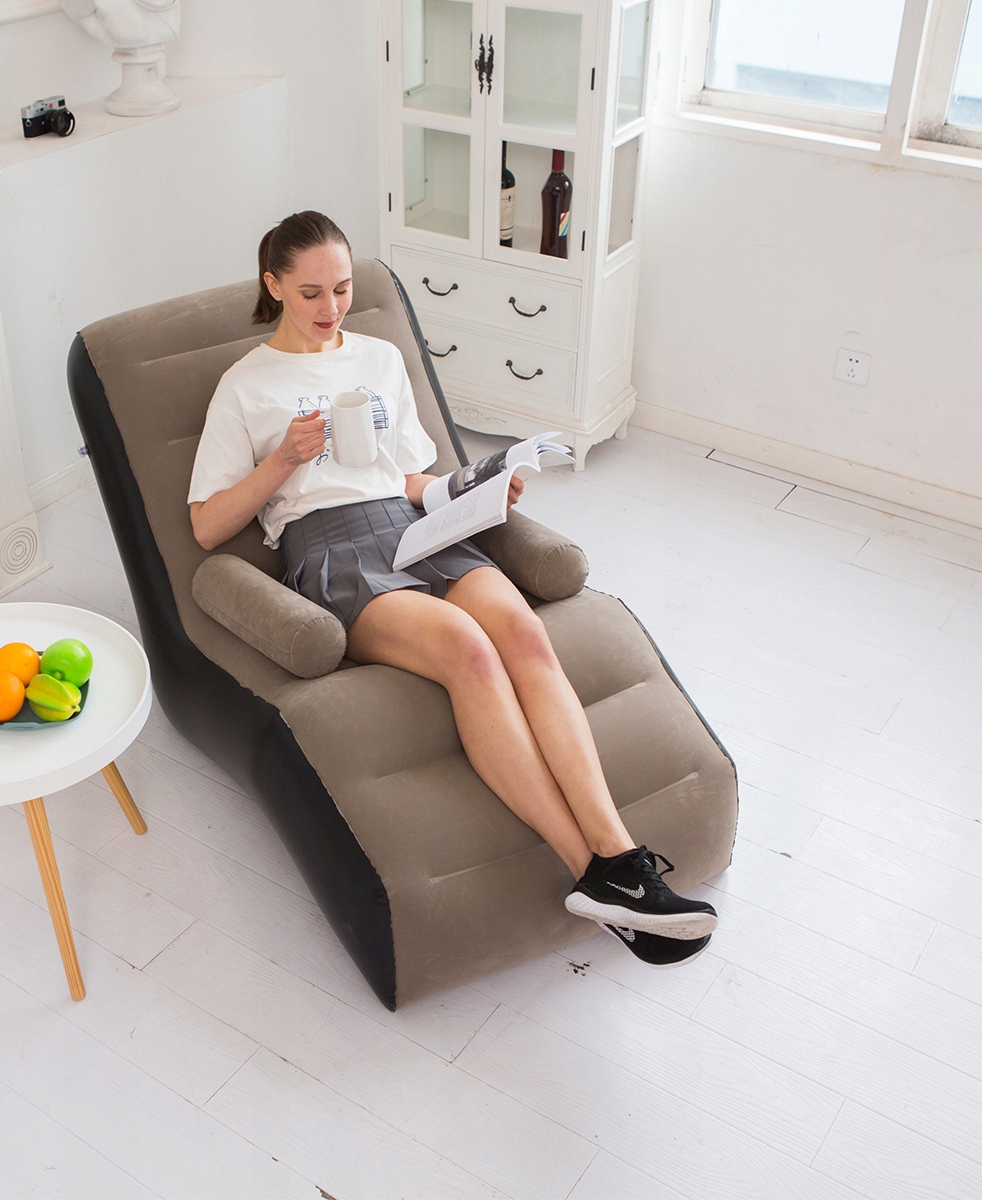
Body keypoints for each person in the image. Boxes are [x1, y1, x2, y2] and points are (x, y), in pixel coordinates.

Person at [188, 211, 717, 967]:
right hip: (330, 548)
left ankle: (622, 857)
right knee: (469, 650)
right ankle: (589, 872)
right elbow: (207, 526)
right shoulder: (245, 385)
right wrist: (281, 462)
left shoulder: (378, 358)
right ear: (273, 286)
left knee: (525, 633)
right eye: (310, 293)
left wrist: (477, 491)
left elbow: (410, 477)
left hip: (412, 528)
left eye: (341, 289)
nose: (331, 308)